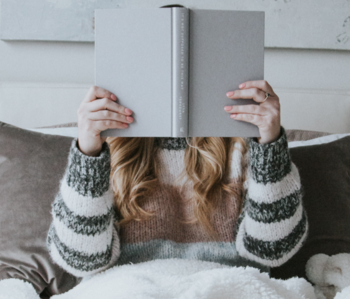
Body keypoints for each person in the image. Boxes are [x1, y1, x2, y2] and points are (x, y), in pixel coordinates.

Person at [46, 80, 308, 277]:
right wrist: (88, 154)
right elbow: (79, 258)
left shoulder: (245, 146)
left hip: (225, 288)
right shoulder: (109, 149)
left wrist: (270, 146)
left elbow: (274, 249)